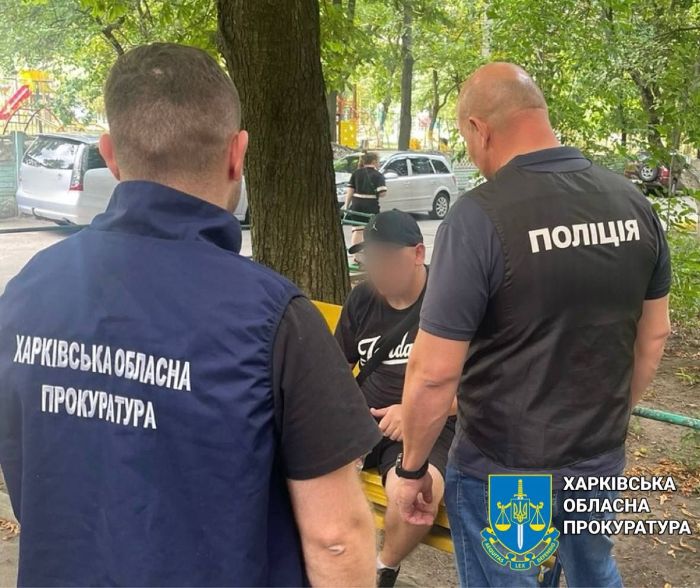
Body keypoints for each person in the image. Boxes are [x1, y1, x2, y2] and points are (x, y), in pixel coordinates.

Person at [0, 43, 382, 587]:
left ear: (110, 155)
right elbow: (336, 539)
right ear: (237, 153)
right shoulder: (274, 319)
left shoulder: (28, 290)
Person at [395, 63, 672, 587]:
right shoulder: (633, 203)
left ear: (480, 129)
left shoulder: (478, 218)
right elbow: (655, 334)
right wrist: (607, 417)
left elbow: (433, 375)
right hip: (597, 456)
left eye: (466, 140)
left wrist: (410, 469)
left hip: (508, 468)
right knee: (594, 570)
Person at [334, 210, 455, 588]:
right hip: (363, 419)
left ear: (418, 253)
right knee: (303, 469)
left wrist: (415, 413)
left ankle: (382, 569)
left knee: (415, 495)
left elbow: (481, 387)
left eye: (387, 257)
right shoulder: (362, 300)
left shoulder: (451, 300)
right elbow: (336, 373)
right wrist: (342, 424)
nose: (378, 270)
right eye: (371, 259)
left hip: (430, 425)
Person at [344, 151, 387, 258]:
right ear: (374, 161)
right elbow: (382, 193)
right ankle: (370, 256)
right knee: (371, 231)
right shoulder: (378, 175)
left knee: (357, 230)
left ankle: (357, 257)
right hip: (371, 205)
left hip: (357, 204)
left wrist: (346, 206)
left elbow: (350, 191)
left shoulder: (356, 173)